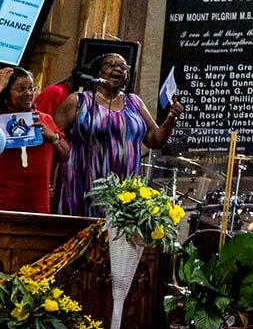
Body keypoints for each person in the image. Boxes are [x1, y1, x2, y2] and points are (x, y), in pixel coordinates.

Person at [53, 52, 179, 216]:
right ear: (98, 72)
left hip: (124, 192)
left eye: (123, 66)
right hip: (82, 186)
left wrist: (170, 120)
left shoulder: (135, 102)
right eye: (111, 64)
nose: (118, 68)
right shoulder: (77, 102)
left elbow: (154, 140)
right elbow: (53, 142)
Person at [0, 65, 67, 212]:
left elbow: (65, 156)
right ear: (6, 92)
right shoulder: (0, 120)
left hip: (38, 202)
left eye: (31, 88)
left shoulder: (44, 119)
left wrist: (53, 137)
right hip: (4, 201)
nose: (28, 93)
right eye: (20, 89)